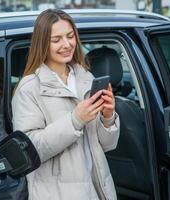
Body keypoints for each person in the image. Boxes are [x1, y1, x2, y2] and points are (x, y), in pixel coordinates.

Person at [11, 9, 120, 200]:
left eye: (70, 36)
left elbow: (107, 145)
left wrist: (108, 117)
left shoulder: (87, 78)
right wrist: (75, 120)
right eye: (56, 40)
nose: (67, 44)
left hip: (98, 190)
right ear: (42, 43)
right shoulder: (29, 89)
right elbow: (29, 150)